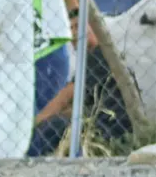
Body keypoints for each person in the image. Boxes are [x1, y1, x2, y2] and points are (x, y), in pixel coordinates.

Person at [28, 14, 134, 156]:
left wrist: (33, 124)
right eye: (70, 28)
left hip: (108, 131)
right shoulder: (93, 59)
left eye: (78, 26)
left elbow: (64, 97)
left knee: (51, 127)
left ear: (94, 28)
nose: (74, 33)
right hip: (105, 127)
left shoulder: (99, 55)